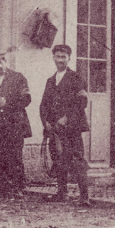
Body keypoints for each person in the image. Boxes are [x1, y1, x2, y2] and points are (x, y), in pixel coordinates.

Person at [39, 44, 91, 206]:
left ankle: (85, 197)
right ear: (53, 58)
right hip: (54, 129)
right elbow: (44, 104)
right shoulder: (50, 81)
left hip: (71, 128)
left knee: (77, 160)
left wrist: (67, 117)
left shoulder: (76, 78)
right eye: (58, 56)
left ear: (69, 58)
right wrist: (46, 121)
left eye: (64, 57)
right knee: (58, 159)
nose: (60, 60)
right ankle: (62, 193)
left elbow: (82, 101)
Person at [0, 52, 32, 197]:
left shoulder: (18, 78)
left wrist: (8, 103)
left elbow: (27, 99)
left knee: (14, 156)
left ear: (5, 61)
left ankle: (18, 188)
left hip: (14, 124)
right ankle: (2, 188)